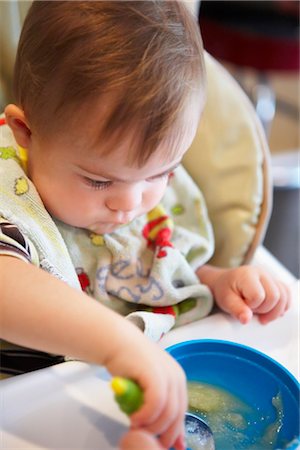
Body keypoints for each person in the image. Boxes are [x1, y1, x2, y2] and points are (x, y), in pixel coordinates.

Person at [0, 1, 291, 448]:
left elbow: (155, 273)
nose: (130, 203)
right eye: (99, 180)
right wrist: (118, 344)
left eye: (162, 174)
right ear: (25, 132)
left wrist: (215, 283)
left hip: (125, 396)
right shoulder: (11, 194)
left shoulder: (137, 174)